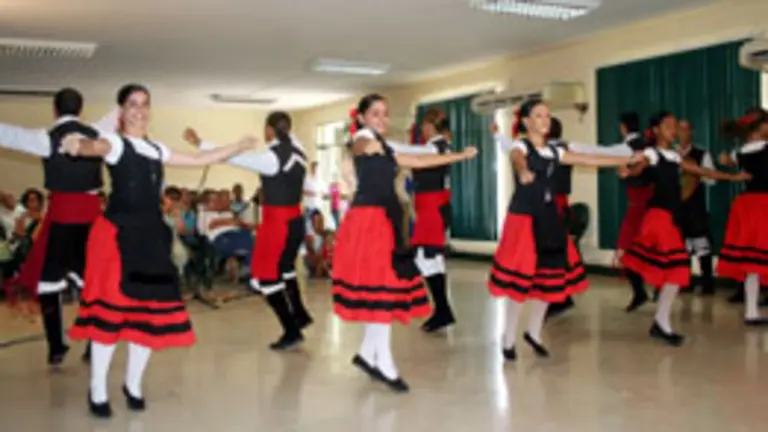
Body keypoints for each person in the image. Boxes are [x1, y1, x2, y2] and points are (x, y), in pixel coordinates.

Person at [62, 83, 255, 418]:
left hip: (150, 238)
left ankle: (133, 384)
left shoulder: (156, 149)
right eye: (133, 104)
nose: (140, 109)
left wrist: (236, 146)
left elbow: (199, 159)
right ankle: (97, 390)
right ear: (122, 111)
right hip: (118, 239)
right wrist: (75, 143)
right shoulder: (117, 145)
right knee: (109, 317)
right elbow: (94, 146)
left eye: (145, 103)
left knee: (148, 315)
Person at [332, 93, 477, 393]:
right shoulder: (363, 138)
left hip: (384, 222)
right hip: (368, 223)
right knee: (382, 292)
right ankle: (383, 362)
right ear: (361, 118)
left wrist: (458, 156)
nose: (382, 119)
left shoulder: (385, 146)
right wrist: (367, 143)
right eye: (375, 114)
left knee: (380, 291)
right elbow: (359, 145)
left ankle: (366, 354)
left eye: (385, 113)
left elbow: (418, 160)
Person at [490, 99, 637, 361]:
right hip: (523, 219)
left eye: (547, 115)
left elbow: (587, 158)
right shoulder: (520, 145)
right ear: (526, 121)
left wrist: (623, 158)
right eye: (538, 115)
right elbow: (516, 158)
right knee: (520, 283)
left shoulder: (555, 151)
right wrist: (523, 172)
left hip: (548, 218)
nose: (545, 120)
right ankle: (508, 337)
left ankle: (534, 333)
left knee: (550, 277)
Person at [0, 87, 116, 366]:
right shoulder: (96, 133)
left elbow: (8, 134)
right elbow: (117, 116)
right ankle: (93, 343)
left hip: (62, 217)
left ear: (55, 110)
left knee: (49, 283)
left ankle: (56, 347)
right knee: (94, 282)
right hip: (91, 219)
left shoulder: (45, 139)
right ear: (80, 109)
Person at [184, 111, 314, 350]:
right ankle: (300, 314)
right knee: (286, 269)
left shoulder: (271, 157)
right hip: (295, 220)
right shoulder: (299, 149)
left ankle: (291, 330)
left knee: (266, 277)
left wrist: (201, 143)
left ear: (269, 130)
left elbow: (234, 157)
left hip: (278, 223)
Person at [620, 112, 748, 346]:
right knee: (678, 268)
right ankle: (661, 323)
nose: (673, 130)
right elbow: (640, 166)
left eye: (674, 126)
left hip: (669, 219)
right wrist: (630, 170)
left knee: (676, 272)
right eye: (668, 126)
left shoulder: (674, 156)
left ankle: (661, 321)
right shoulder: (652, 153)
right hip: (658, 218)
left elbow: (701, 171)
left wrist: (733, 177)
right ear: (657, 130)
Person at [716, 110, 768, 325]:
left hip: (748, 205)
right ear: (758, 129)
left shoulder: (742, 151)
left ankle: (751, 311)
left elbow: (726, 159)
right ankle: (751, 311)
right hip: (762, 205)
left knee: (753, 262)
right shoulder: (761, 148)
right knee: (756, 260)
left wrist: (726, 158)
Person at [408, 108, 457, 333]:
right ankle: (442, 310)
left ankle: (442, 309)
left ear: (430, 127)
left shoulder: (433, 148)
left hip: (431, 209)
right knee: (432, 259)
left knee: (425, 258)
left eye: (424, 127)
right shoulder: (443, 146)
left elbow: (410, 156)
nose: (422, 130)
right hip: (436, 207)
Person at [676, 119, 716, 296]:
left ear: (691, 132)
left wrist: (697, 173)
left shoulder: (702, 154)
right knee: (681, 245)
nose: (683, 134)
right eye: (680, 130)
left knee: (702, 246)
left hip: (695, 208)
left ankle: (707, 283)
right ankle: (685, 281)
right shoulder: (671, 153)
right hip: (677, 208)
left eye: (686, 130)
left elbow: (712, 179)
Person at [303, 210, 329, 278]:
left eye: (321, 221)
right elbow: (311, 252)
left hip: (322, 259)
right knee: (321, 261)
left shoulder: (325, 233)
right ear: (312, 222)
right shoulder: (310, 235)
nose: (320, 223)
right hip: (311, 260)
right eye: (317, 221)